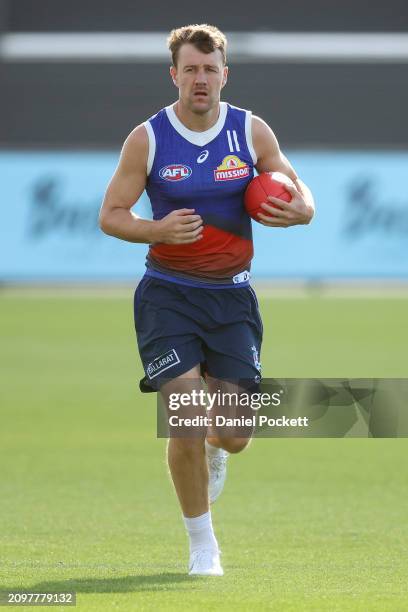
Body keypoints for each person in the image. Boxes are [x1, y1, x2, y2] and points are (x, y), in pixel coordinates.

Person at [99, 24, 314, 576]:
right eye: (189, 69)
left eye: (209, 68)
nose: (200, 78)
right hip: (167, 296)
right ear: (174, 75)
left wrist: (303, 208)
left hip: (232, 300)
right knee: (186, 416)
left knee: (236, 435)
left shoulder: (250, 130)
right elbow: (112, 215)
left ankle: (218, 450)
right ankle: (203, 547)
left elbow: (295, 185)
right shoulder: (146, 139)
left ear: (225, 73)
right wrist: (158, 230)